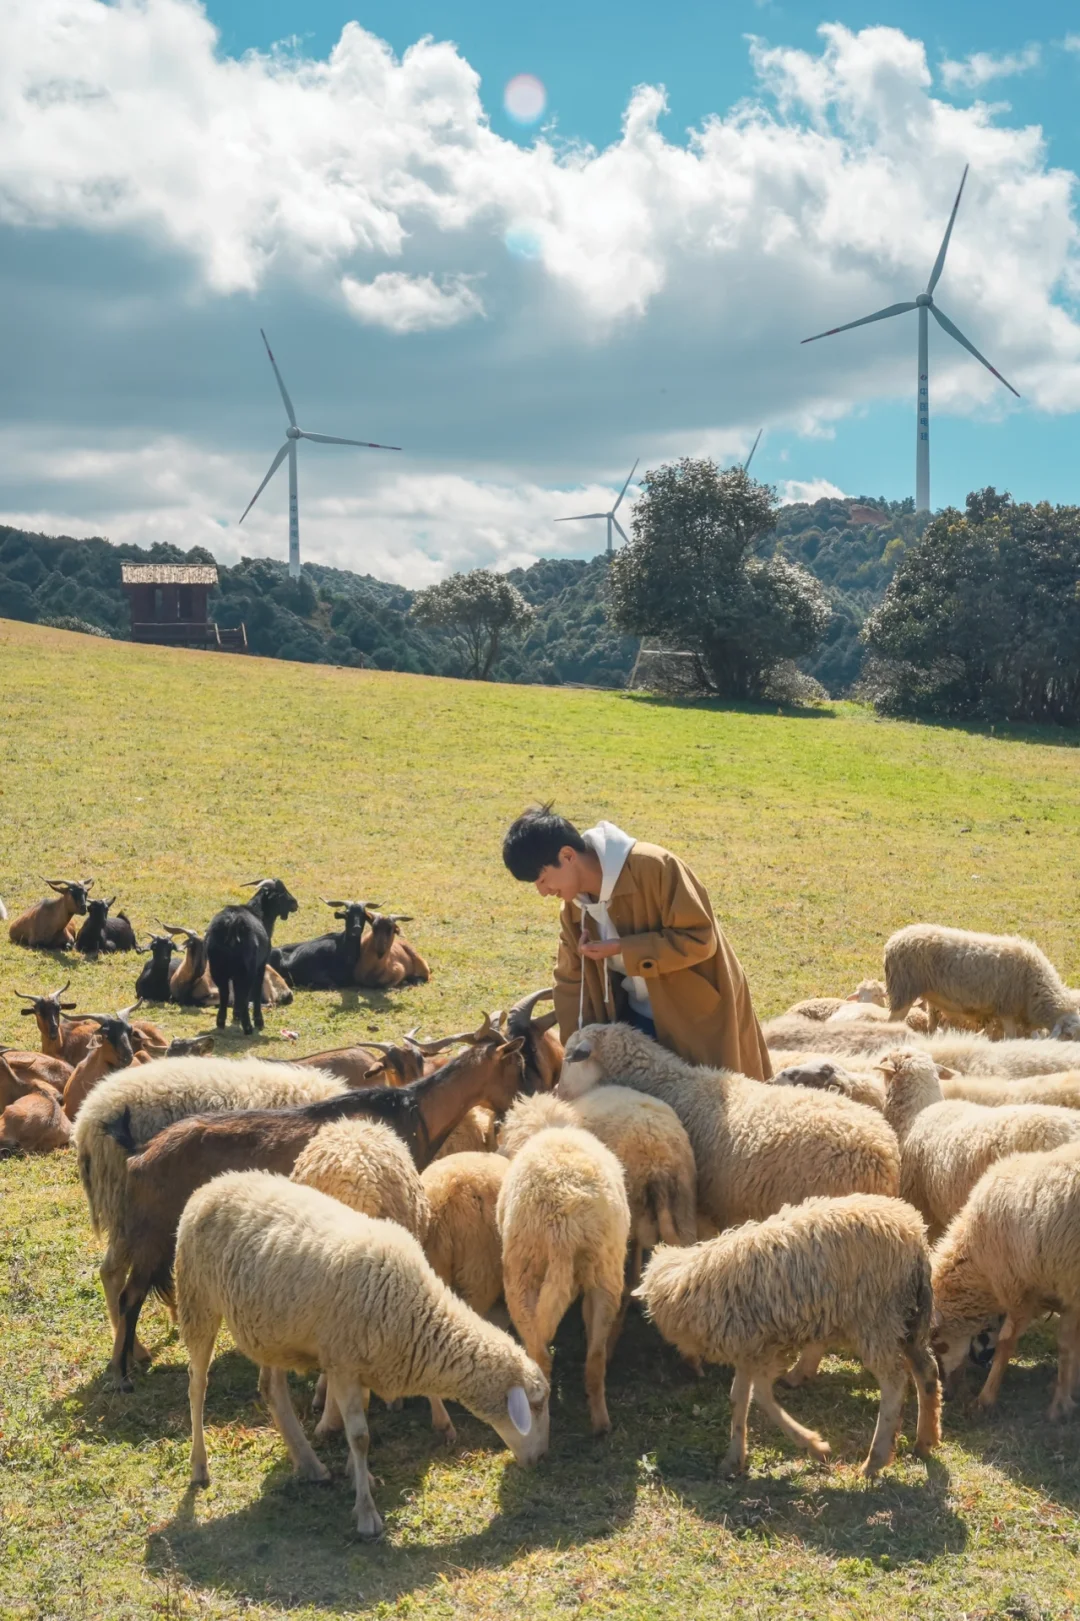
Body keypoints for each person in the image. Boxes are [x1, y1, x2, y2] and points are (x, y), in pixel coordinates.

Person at [502, 805, 771, 1080]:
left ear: (567, 855)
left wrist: (622, 948)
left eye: (543, 879)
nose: (543, 892)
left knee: (708, 1110)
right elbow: (570, 982)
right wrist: (574, 1057)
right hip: (633, 1022)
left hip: (696, 1021)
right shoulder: (573, 908)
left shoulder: (656, 867)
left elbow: (700, 939)